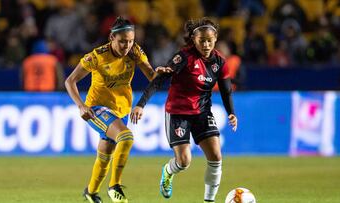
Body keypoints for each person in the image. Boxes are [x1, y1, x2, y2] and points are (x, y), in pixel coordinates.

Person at [130, 18, 238, 203]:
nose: (205, 44)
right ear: (194, 40)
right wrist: (141, 104)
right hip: (178, 112)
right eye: (201, 40)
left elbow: (226, 89)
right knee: (184, 161)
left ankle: (209, 201)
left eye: (209, 40)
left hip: (202, 111)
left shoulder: (220, 61)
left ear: (216, 39)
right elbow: (159, 79)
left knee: (216, 156)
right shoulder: (184, 57)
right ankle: (168, 171)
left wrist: (231, 112)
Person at [65, 17, 165, 203]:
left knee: (106, 154)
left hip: (121, 110)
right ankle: (114, 186)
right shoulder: (97, 56)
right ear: (112, 37)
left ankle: (91, 192)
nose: (126, 46)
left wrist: (162, 73)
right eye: (122, 41)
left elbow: (152, 76)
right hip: (96, 109)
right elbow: (70, 81)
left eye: (130, 41)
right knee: (126, 137)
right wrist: (81, 106)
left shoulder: (135, 51)